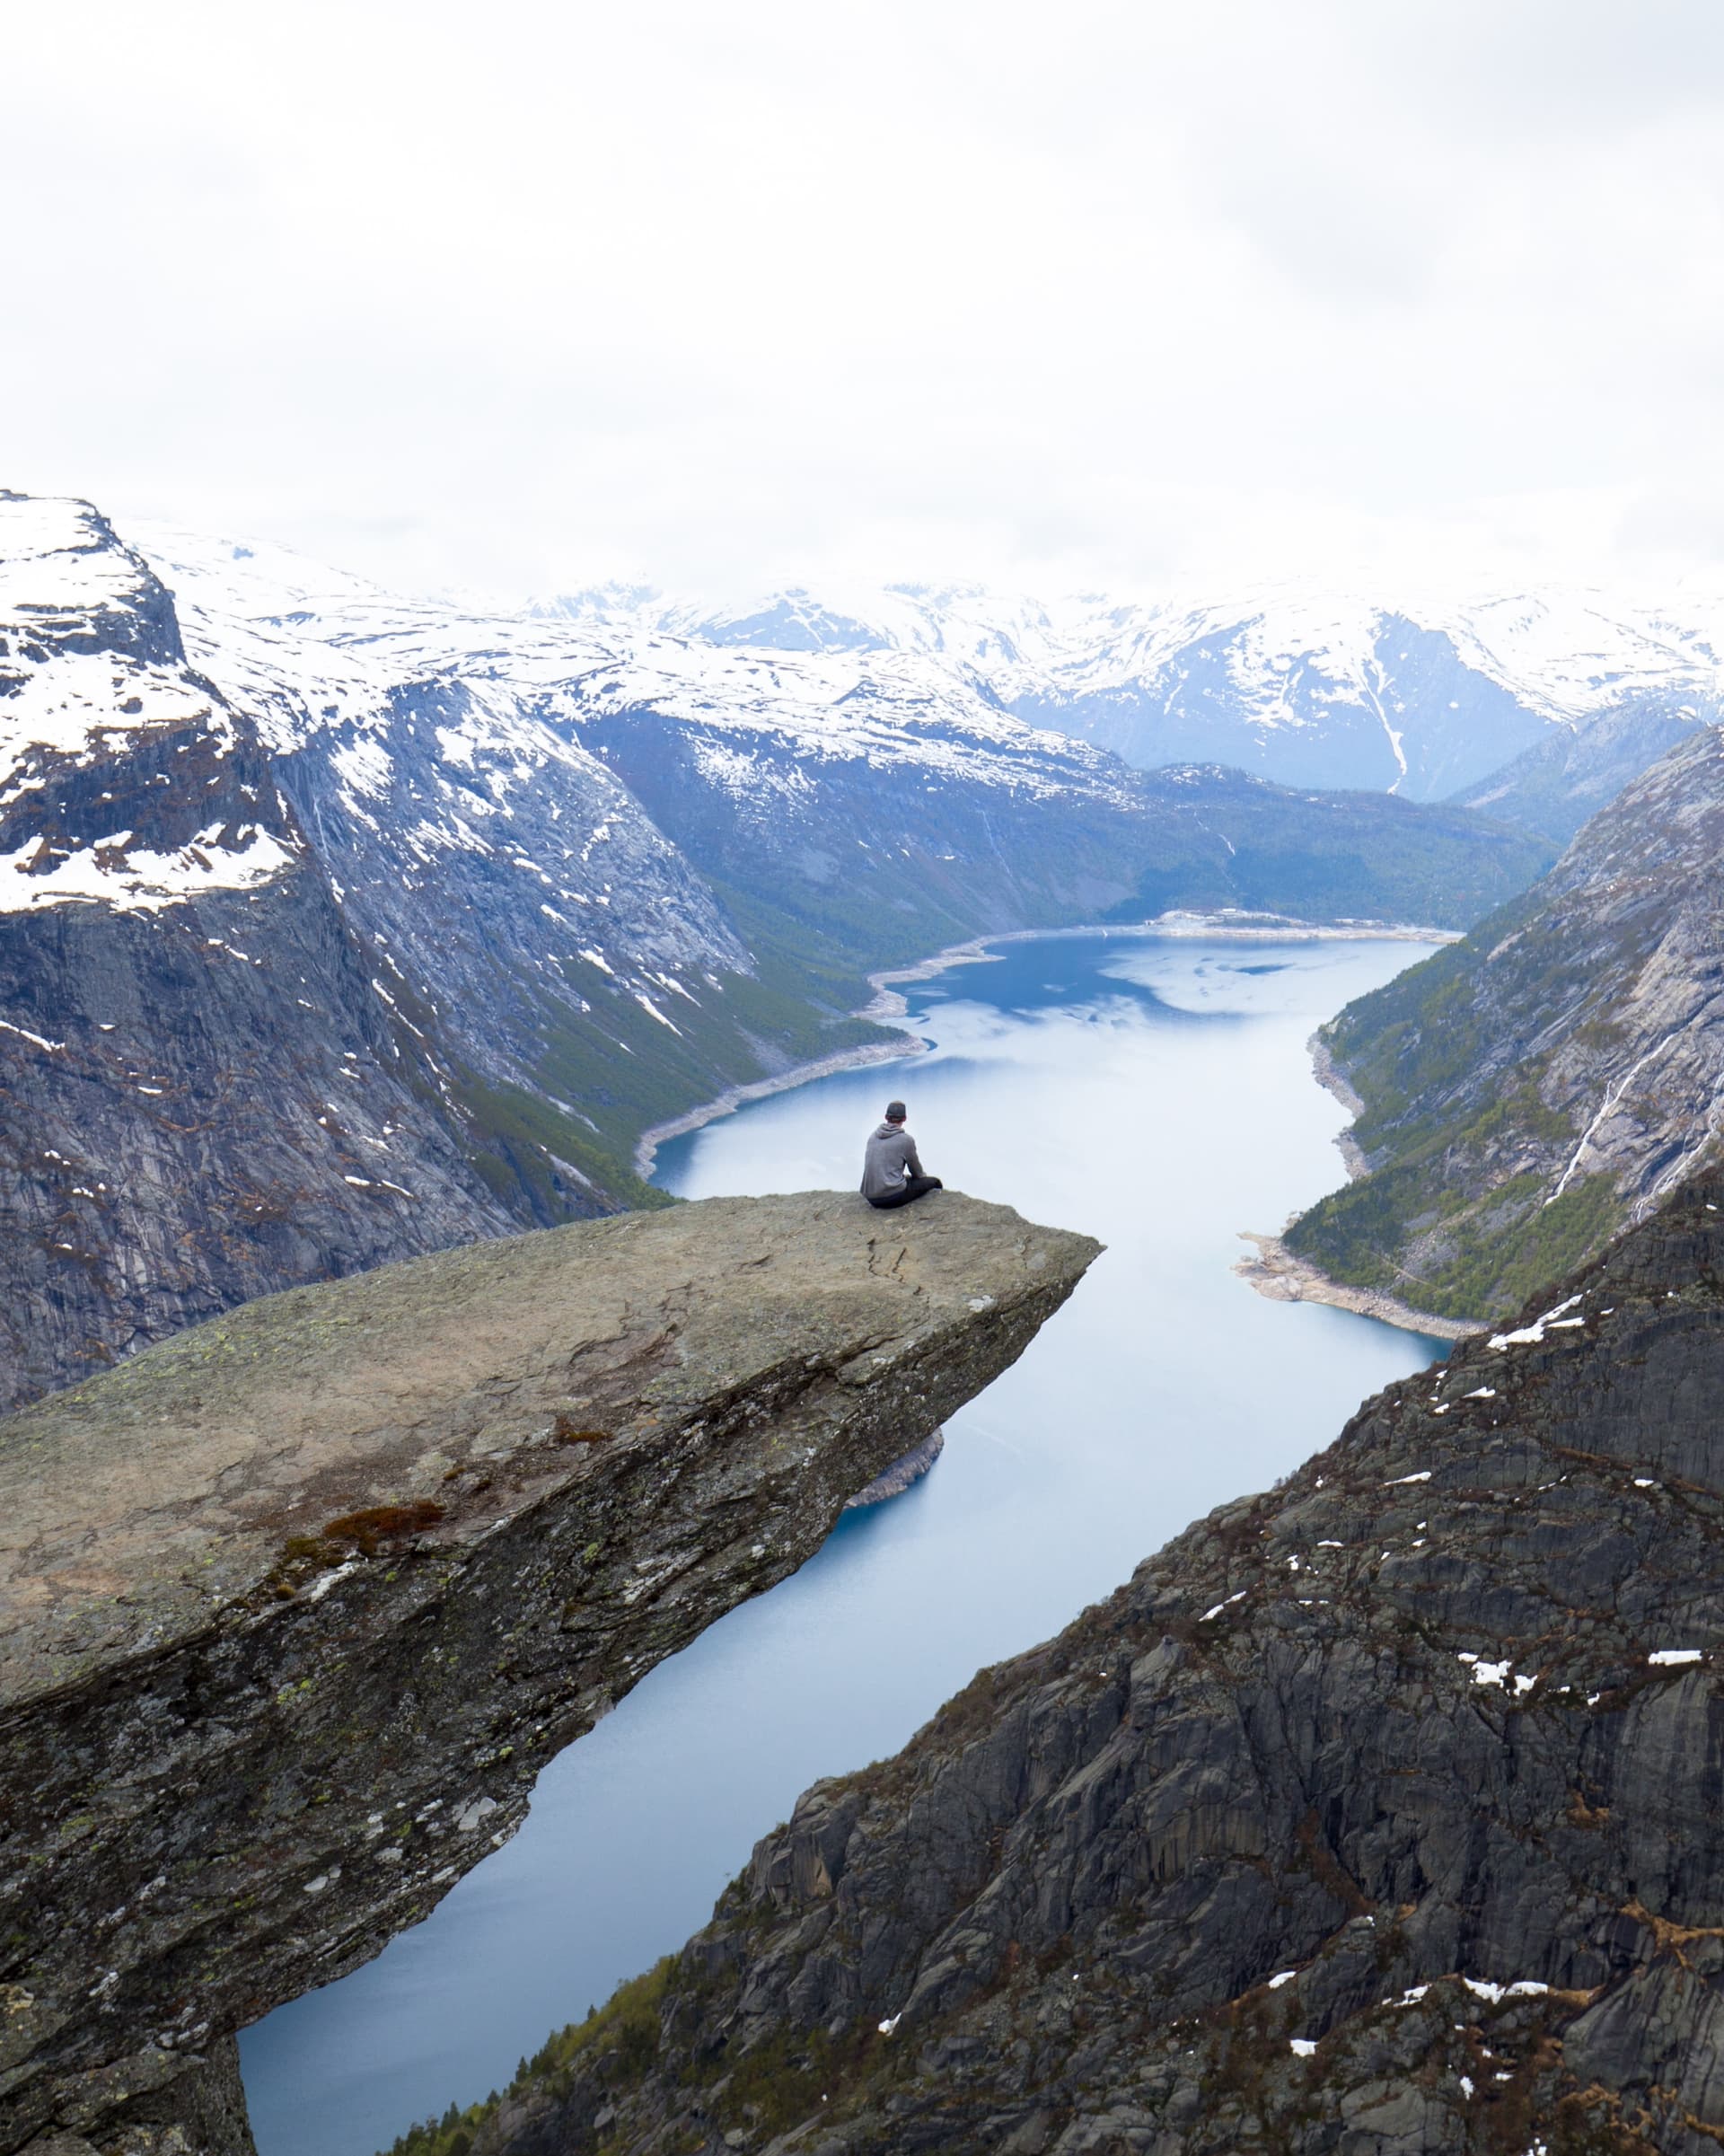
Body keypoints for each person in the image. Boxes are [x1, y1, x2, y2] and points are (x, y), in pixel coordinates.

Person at [860, 1100, 944, 1210]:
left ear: (886, 1117)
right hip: (892, 1197)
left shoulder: (872, 1137)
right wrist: (920, 1180)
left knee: (907, 1180)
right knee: (934, 1182)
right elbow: (918, 1173)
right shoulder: (906, 1140)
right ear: (904, 1118)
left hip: (871, 1198)